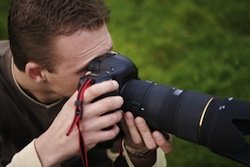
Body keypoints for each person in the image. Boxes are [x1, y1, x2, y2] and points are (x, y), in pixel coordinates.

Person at [0, 0, 172, 166]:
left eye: (109, 53)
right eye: (92, 66)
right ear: (37, 73)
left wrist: (139, 154)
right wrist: (45, 152)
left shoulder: (95, 71)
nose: (113, 69)